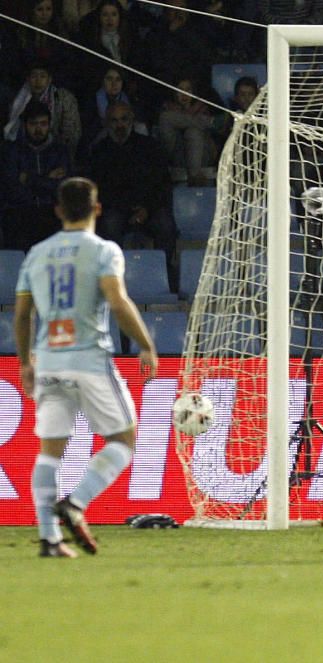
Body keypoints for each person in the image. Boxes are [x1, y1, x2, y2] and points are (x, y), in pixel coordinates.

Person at [14, 176, 158, 558]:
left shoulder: (36, 254)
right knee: (124, 441)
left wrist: (25, 361)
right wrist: (145, 344)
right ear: (97, 209)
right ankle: (76, 503)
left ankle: (49, 538)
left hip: (47, 360)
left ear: (59, 211)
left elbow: (23, 314)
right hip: (89, 359)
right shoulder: (104, 250)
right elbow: (117, 299)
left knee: (49, 452)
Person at [86, 100, 178, 289]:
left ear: (132, 120)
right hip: (116, 209)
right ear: (106, 122)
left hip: (148, 207)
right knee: (109, 224)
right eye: (114, 120)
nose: (120, 125)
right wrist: (127, 209)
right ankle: (114, 281)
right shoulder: (99, 152)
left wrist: (146, 208)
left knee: (166, 225)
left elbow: (162, 185)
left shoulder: (150, 147)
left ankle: (164, 277)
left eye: (124, 119)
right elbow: (100, 191)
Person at [1, 100, 71, 251]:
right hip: (21, 211)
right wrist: (47, 179)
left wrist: (29, 179)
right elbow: (11, 190)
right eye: (33, 124)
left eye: (43, 124)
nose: (38, 129)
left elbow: (62, 188)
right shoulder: (12, 151)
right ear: (25, 125)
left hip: (51, 211)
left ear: (49, 124)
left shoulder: (59, 151)